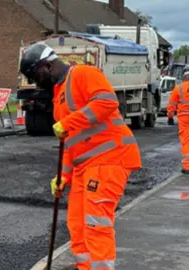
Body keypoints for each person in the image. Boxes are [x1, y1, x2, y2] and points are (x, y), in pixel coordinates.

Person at [19, 43, 142, 270]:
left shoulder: (84, 74)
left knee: (96, 224)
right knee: (77, 224)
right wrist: (63, 177)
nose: (36, 83)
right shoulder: (58, 98)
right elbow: (70, 145)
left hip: (109, 157)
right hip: (84, 166)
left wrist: (67, 122)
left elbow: (107, 102)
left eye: (35, 76)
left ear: (47, 65)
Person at [167, 65, 189, 174]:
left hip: (184, 118)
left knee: (186, 141)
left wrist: (170, 117)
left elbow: (171, 105)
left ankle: (187, 166)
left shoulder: (178, 88)